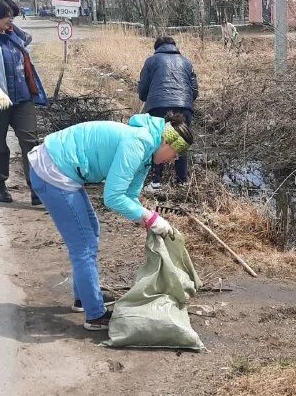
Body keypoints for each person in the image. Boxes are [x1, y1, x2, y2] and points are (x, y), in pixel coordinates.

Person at [28, 113, 194, 330]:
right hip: (52, 170)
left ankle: (84, 298)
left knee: (90, 232)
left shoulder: (146, 151)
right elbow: (113, 197)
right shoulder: (139, 143)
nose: (172, 160)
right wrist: (150, 218)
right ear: (166, 141)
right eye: (174, 153)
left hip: (62, 169)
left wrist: (147, 220)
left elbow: (130, 196)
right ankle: (95, 315)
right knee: (84, 245)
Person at [0, 0, 48, 205]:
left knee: (31, 143)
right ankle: (0, 185)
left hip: (22, 97)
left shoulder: (15, 34)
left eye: (12, 16)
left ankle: (37, 189)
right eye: (7, 17)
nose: (11, 20)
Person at [137, 36, 198, 191]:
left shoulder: (151, 61)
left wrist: (149, 98)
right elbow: (195, 91)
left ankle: (156, 182)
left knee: (158, 141)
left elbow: (142, 91)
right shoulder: (186, 62)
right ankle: (182, 182)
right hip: (184, 106)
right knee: (180, 141)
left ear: (157, 47)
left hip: (158, 106)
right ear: (174, 46)